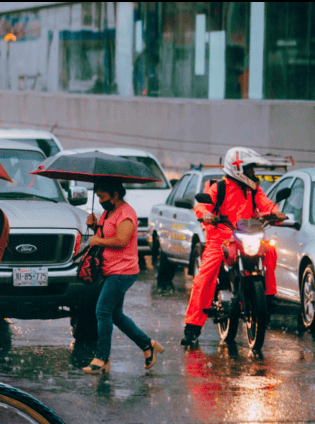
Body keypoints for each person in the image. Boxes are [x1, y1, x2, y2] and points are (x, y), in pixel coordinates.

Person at [181, 147, 286, 346]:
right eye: (250, 169)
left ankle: (268, 297)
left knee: (270, 250)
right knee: (204, 278)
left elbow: (266, 205)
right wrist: (206, 214)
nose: (253, 173)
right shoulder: (218, 187)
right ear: (237, 168)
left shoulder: (253, 189)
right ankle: (192, 327)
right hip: (220, 239)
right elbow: (202, 206)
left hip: (246, 237)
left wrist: (276, 212)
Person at [82, 179, 164, 374]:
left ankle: (101, 358)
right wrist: (95, 227)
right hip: (110, 269)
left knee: (102, 310)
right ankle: (147, 345)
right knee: (115, 315)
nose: (100, 201)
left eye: (102, 196)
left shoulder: (126, 214)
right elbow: (106, 233)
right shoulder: (108, 212)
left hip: (123, 271)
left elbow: (121, 241)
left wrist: (97, 240)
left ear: (115, 194)